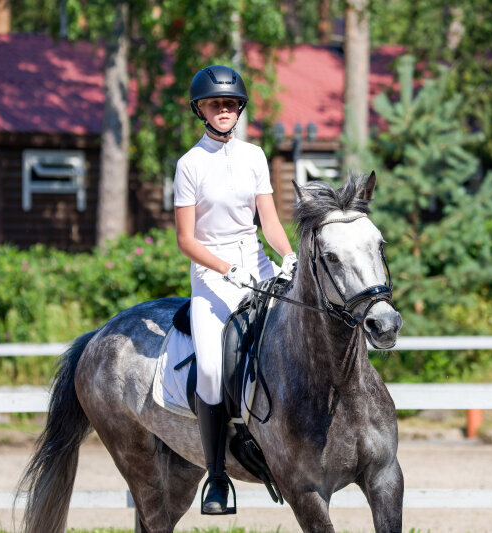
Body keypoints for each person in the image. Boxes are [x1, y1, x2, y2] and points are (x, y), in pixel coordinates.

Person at [173, 64, 297, 515]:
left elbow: (269, 222)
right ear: (201, 109)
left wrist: (290, 257)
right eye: (214, 104)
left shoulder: (255, 156)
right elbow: (186, 239)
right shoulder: (189, 165)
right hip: (211, 277)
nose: (223, 110)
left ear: (238, 107)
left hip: (258, 267)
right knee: (209, 368)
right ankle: (218, 476)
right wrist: (225, 269)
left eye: (229, 103)